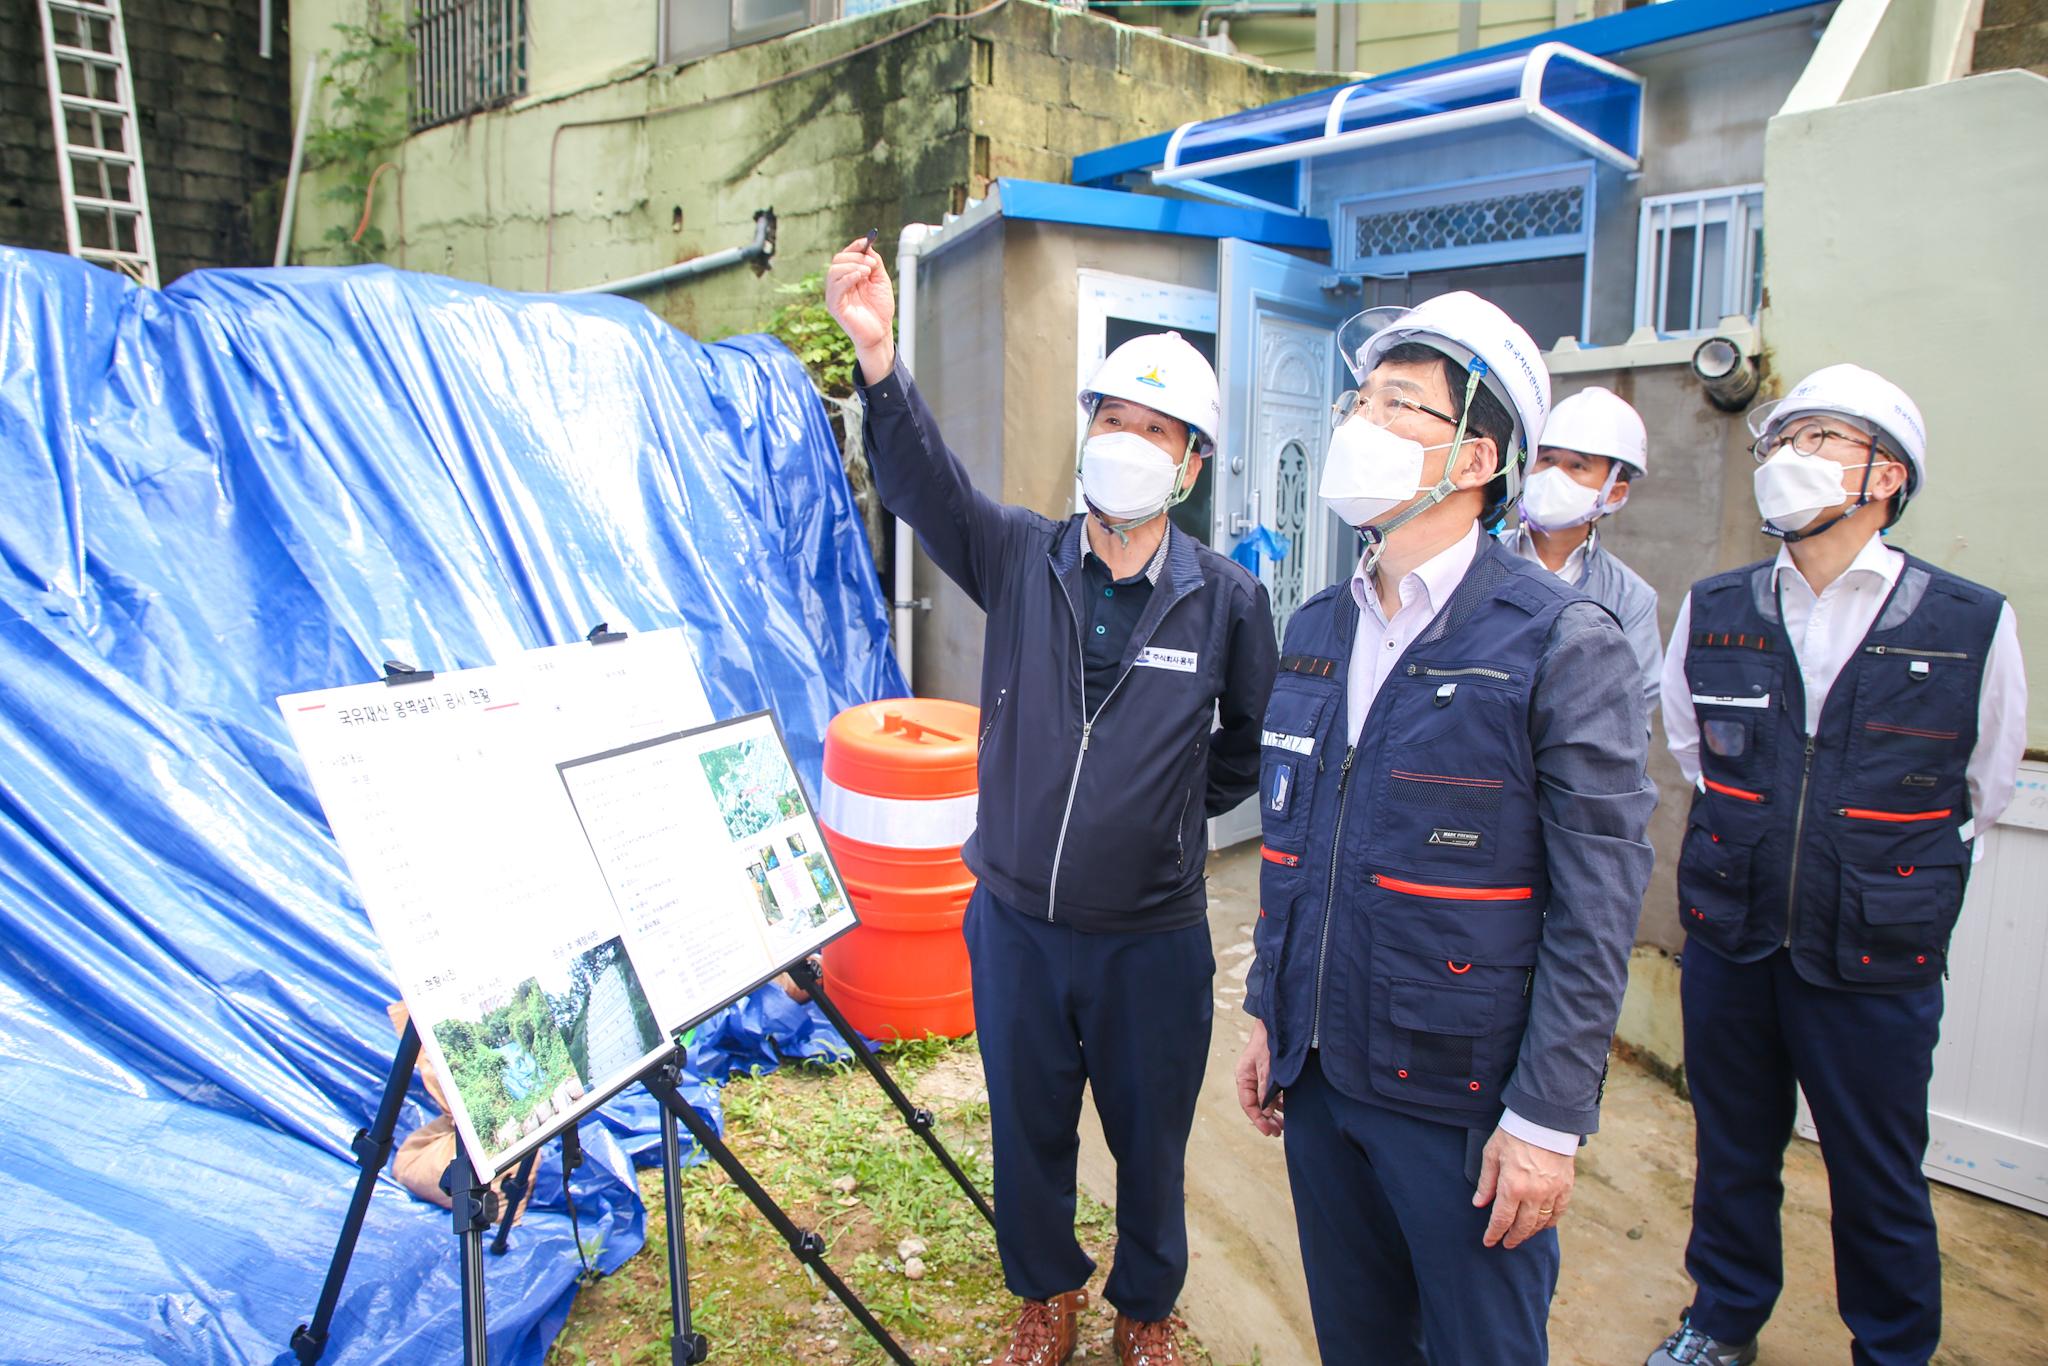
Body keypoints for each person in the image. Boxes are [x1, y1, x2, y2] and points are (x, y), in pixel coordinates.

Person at [824, 238, 1278, 1366]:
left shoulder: (1225, 600)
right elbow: (927, 488)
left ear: (1189, 467)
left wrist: (1170, 816)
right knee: (1027, 1131)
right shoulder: (1021, 555)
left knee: (1148, 1139)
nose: (1124, 443)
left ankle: (1143, 1308)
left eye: (1154, 431)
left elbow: (1251, 746)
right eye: (1111, 419)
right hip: (1016, 918)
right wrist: (879, 357)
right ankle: (1045, 1297)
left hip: (1151, 937)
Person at [1232, 293, 1657, 1365]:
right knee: (1358, 1342)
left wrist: (1547, 1118)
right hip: (1322, 1081)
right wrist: (1266, 1011)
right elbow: (1294, 849)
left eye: (1398, 403)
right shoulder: (1322, 622)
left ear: (1473, 457)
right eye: (1359, 399)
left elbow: (1596, 902)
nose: (1358, 422)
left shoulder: (1560, 640)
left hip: (1464, 1102)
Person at [1646, 364, 2026, 1366]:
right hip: (1733, 939)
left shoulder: (1966, 623)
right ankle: (1721, 1321)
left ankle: (1892, 1349)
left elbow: (1981, 790)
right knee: (1730, 1155)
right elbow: (1693, 753)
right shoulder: (1716, 606)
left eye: (1819, 438)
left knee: (1876, 1172)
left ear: (1885, 477)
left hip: (1873, 956)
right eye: (1782, 440)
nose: (1787, 458)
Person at [1506, 384, 1662, 718]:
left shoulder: (1630, 597)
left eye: (1578, 466)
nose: (1553, 476)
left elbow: (1630, 713)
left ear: (1615, 492)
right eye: (1547, 459)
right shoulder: (1475, 559)